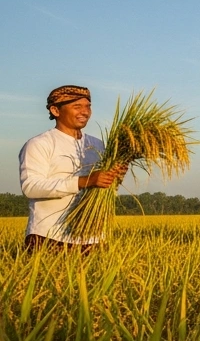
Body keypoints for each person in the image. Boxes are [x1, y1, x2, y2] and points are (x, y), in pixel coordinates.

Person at [18, 85, 127, 250]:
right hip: (49, 236)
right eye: (77, 107)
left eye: (88, 106)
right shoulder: (40, 144)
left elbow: (103, 186)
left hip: (92, 236)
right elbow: (30, 187)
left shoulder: (97, 144)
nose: (85, 112)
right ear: (55, 110)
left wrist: (115, 177)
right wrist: (84, 181)